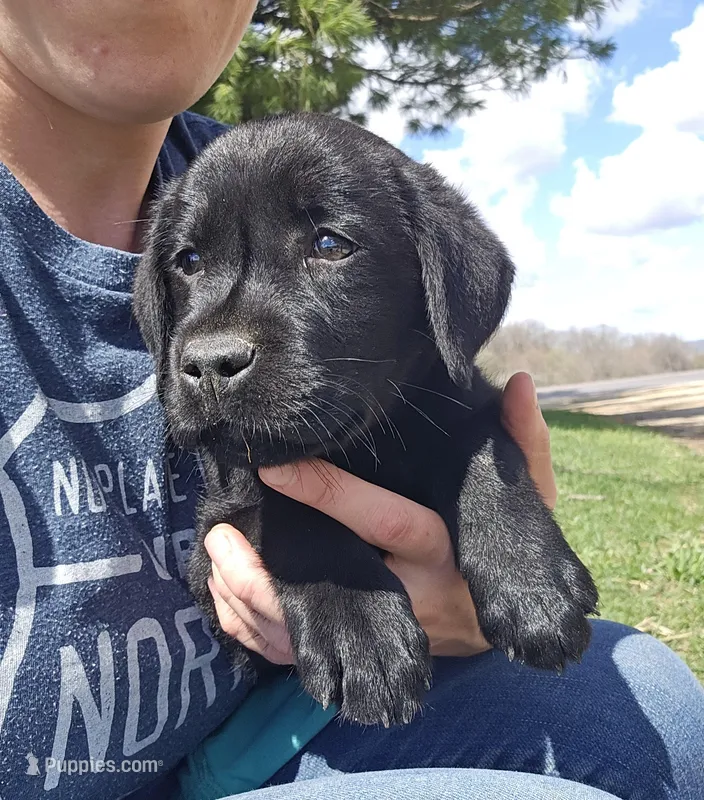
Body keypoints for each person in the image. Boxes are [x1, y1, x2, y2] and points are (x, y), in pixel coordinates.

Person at [0, 2, 701, 800]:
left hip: (260, 740)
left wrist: (491, 516)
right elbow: (238, 501)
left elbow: (459, 413)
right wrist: (319, 570)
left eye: (327, 245)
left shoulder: (231, 166)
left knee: (658, 703)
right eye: (191, 262)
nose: (214, 339)